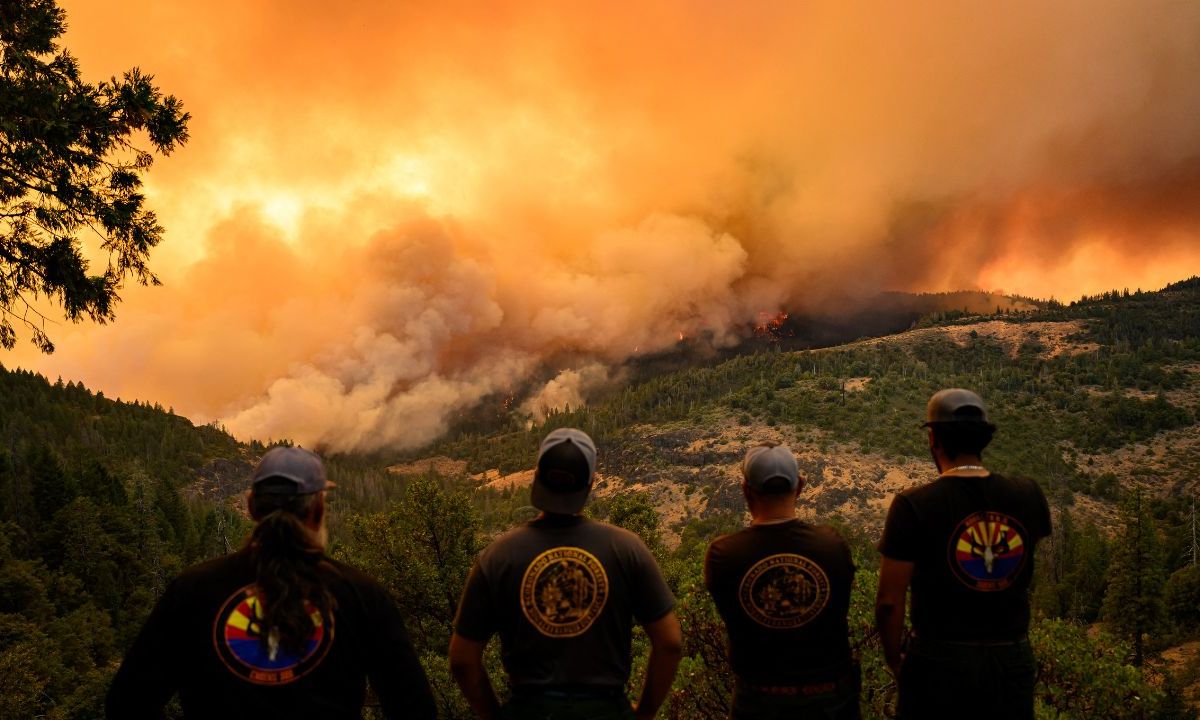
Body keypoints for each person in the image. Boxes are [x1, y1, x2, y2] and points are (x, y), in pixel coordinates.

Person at [106, 446, 437, 720]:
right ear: (319, 508)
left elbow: (127, 702)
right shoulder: (361, 593)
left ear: (251, 507)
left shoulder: (193, 590)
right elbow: (414, 707)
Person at [449, 428, 683, 720]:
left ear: (536, 476)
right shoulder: (626, 548)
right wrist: (644, 713)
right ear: (591, 483)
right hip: (606, 709)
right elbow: (670, 643)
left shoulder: (498, 556)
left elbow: (462, 659)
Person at [875, 389, 1052, 720]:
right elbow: (1021, 562)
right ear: (985, 440)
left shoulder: (914, 505)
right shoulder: (1027, 495)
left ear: (934, 440)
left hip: (937, 659)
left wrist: (895, 660)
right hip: (1010, 658)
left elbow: (888, 602)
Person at [705, 443, 859, 720]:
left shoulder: (723, 555)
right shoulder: (832, 546)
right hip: (830, 701)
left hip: (757, 700)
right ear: (799, 486)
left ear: (745, 490)